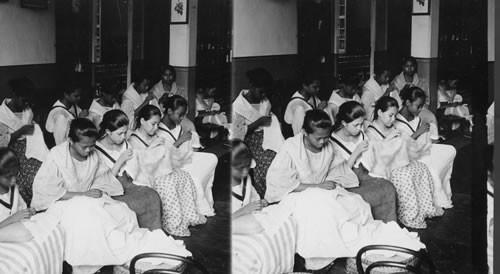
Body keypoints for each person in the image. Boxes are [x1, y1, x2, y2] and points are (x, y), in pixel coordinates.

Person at [265, 109, 425, 270]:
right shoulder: (291, 147)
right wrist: (316, 186)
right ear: (305, 132)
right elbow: (280, 181)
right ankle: (320, 259)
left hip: (322, 190)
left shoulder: (327, 147)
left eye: (326, 137)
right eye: (318, 138)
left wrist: (328, 183)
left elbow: (338, 170)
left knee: (356, 206)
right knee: (324, 213)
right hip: (297, 194)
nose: (322, 142)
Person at [31, 118, 191, 273]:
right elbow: (47, 190)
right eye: (84, 147)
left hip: (88, 198)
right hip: (63, 203)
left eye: (92, 146)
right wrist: (82, 194)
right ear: (71, 142)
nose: (88, 151)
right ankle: (92, 263)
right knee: (90, 218)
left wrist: (96, 192)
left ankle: (130, 253)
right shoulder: (57, 156)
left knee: (122, 214)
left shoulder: (92, 156)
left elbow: (102, 178)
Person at [97, 108, 205, 236]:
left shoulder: (124, 143)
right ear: (108, 132)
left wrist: (153, 148)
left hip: (132, 180)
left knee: (153, 195)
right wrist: (121, 160)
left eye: (125, 133)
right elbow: (105, 181)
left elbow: (140, 160)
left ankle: (155, 234)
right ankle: (144, 235)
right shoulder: (98, 149)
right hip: (114, 187)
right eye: (119, 133)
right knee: (138, 201)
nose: (123, 137)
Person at [365, 96, 444, 228]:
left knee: (421, 168)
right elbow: (374, 156)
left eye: (395, 116)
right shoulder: (370, 132)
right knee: (406, 175)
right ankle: (409, 215)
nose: (392, 119)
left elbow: (407, 147)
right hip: (383, 167)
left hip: (397, 161)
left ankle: (424, 209)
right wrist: (389, 140)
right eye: (390, 115)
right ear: (379, 113)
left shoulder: (392, 127)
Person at [329, 102, 398, 223]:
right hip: (349, 181)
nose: (360, 128)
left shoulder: (360, 134)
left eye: (361, 124)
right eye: (356, 125)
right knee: (364, 198)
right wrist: (356, 152)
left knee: (388, 187)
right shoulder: (333, 142)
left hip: (366, 173)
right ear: (344, 123)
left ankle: (389, 227)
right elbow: (341, 173)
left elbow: (372, 155)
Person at [394, 86, 456, 209]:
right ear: (407, 103)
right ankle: (436, 199)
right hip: (409, 157)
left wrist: (426, 134)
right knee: (432, 169)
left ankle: (445, 187)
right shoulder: (396, 121)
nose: (421, 109)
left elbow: (423, 140)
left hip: (421, 150)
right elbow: (400, 147)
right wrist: (418, 133)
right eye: (418, 106)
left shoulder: (416, 117)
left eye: (422, 106)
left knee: (450, 150)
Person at [157, 95, 218, 216]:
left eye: (184, 114)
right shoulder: (157, 130)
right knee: (195, 178)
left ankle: (202, 196)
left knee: (212, 158)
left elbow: (188, 147)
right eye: (180, 115)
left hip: (183, 159)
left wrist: (188, 140)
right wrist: (179, 141)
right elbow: (161, 157)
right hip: (170, 167)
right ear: (169, 111)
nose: (182, 118)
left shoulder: (178, 126)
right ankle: (198, 206)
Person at [231, 68, 284, 198]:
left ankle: (280, 196)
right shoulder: (238, 106)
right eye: (261, 91)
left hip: (267, 135)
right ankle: (265, 198)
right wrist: (258, 122)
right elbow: (238, 134)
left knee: (282, 158)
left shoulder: (265, 102)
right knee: (266, 166)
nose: (263, 95)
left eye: (266, 92)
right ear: (252, 86)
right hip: (248, 140)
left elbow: (269, 120)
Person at [0, 78, 48, 205]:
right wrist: (21, 131)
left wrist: (34, 129)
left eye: (28, 100)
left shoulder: (27, 110)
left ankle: (45, 203)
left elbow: (32, 127)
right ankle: (30, 205)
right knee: (28, 178)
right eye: (24, 100)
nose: (26, 103)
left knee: (45, 170)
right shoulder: (2, 114)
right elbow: (1, 142)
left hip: (31, 144)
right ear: (15, 95)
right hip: (10, 150)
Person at [392, 56, 439, 138]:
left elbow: (426, 99)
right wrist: (402, 92)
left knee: (431, 117)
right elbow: (393, 98)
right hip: (401, 108)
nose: (409, 69)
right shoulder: (396, 81)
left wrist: (420, 107)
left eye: (412, 66)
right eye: (407, 66)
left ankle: (432, 139)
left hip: (419, 107)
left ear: (415, 67)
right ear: (403, 67)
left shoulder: (422, 81)